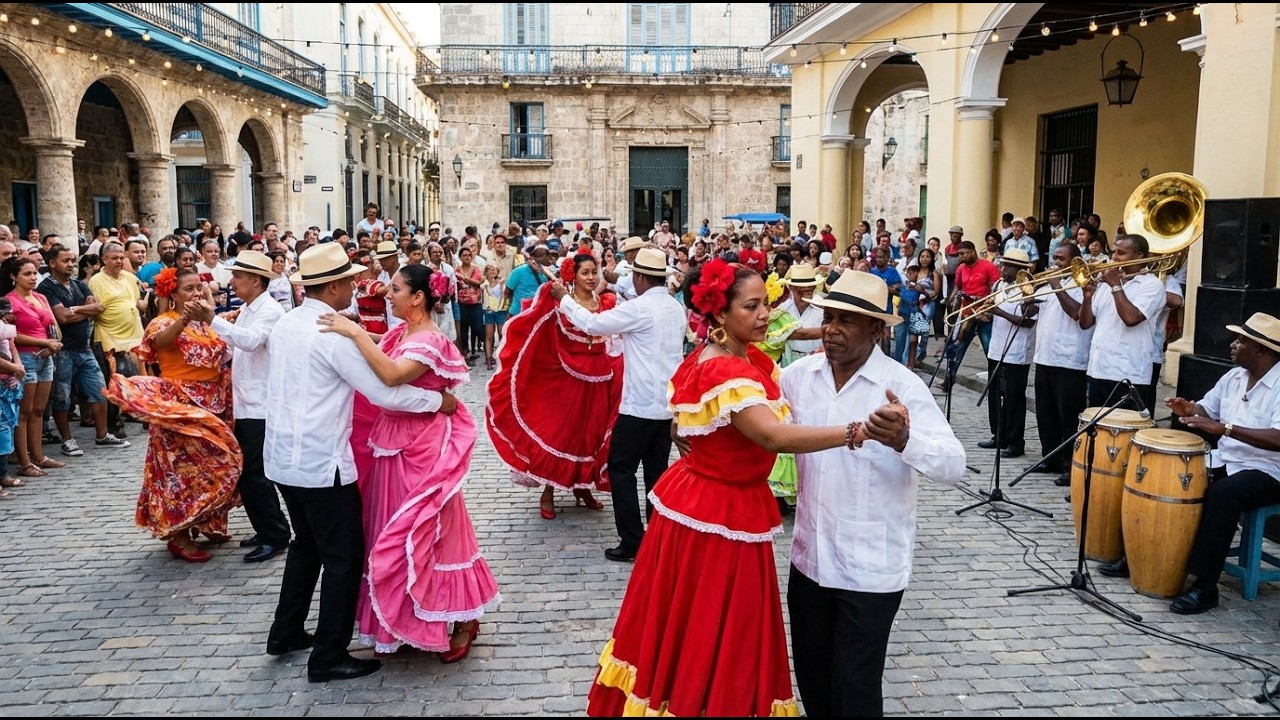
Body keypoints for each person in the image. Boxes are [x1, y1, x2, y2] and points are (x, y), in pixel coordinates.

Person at [586, 260, 895, 717]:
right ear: (719, 313)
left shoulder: (737, 359)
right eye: (751, 307)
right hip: (717, 514)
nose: (765, 314)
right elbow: (773, 436)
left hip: (711, 505)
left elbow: (689, 416)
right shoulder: (727, 370)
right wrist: (856, 431)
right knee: (714, 622)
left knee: (710, 622)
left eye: (766, 303)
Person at [263, 243, 456, 683]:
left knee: (305, 545)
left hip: (283, 458)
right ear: (332, 287)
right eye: (349, 280)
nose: (356, 285)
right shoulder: (332, 335)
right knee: (343, 558)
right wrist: (438, 402)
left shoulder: (288, 323)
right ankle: (328, 656)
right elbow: (384, 391)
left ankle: (286, 630)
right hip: (321, 463)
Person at [783, 270, 965, 716]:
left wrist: (905, 441)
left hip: (868, 570)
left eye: (846, 321)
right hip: (809, 561)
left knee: (855, 690)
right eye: (829, 318)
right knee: (813, 682)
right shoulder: (798, 377)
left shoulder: (902, 385)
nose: (831, 330)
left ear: (876, 330)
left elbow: (953, 465)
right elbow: (753, 414)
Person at [317, 263, 499, 660]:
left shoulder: (431, 340)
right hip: (392, 442)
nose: (388, 293)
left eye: (396, 288)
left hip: (424, 447)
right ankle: (405, 618)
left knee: (432, 529)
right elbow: (384, 347)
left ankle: (463, 619)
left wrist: (353, 331)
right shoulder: (404, 331)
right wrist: (356, 333)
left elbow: (393, 374)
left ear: (417, 298)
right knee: (391, 529)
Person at [545, 247, 684, 562]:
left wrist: (564, 299)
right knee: (657, 472)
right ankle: (658, 536)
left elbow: (593, 325)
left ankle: (632, 541)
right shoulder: (675, 308)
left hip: (639, 407)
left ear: (640, 277)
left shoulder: (639, 308)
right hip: (666, 406)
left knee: (622, 469)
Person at [103, 267, 241, 563]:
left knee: (208, 466)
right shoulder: (163, 322)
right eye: (189, 289)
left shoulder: (208, 322)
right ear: (173, 295)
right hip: (179, 403)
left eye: (199, 287)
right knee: (179, 470)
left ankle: (206, 521)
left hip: (213, 400)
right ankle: (179, 534)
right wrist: (184, 319)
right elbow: (160, 343)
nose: (196, 293)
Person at [489, 253, 623, 519]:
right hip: (568, 380)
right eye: (585, 273)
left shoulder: (606, 302)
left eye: (593, 272)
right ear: (573, 275)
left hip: (599, 379)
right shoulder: (561, 303)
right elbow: (543, 333)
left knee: (592, 435)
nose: (591, 278)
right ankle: (549, 490)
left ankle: (582, 487)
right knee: (564, 433)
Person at [1162, 313, 1280, 614]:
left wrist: (1225, 429)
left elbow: (1278, 438)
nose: (1233, 345)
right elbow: (1207, 409)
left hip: (1268, 470)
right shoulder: (1234, 377)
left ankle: (1205, 586)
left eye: (1241, 341)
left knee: (1223, 494)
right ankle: (1157, 559)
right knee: (1175, 472)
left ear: (1262, 350)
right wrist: (1190, 409)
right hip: (1227, 459)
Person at [207, 251, 292, 563]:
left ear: (255, 280)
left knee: (256, 473)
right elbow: (237, 347)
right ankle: (267, 528)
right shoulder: (248, 308)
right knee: (249, 473)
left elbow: (251, 341)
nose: (233, 282)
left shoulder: (269, 310)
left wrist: (211, 319)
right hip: (246, 401)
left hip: (261, 405)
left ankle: (275, 534)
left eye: (238, 276)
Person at [37, 244, 129, 458]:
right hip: (62, 351)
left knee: (99, 390)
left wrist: (76, 309)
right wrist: (84, 311)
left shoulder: (78, 284)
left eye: (72, 260)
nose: (71, 264)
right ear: (52, 263)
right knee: (62, 397)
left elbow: (98, 308)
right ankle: (67, 440)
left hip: (84, 348)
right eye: (65, 261)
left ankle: (102, 434)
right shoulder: (47, 288)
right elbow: (62, 317)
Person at [1031, 242, 1093, 486]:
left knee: (1068, 416)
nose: (1055, 263)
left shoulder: (1082, 284)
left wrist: (1056, 286)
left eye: (1061, 259)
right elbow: (1033, 310)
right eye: (1054, 258)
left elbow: (1076, 313)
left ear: (1074, 261)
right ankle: (1050, 458)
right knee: (1045, 413)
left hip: (1070, 360)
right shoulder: (1048, 284)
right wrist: (1030, 294)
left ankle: (1070, 464)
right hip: (1044, 356)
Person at [3, 255, 65, 478]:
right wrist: (45, 343)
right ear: (14, 277)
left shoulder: (41, 297)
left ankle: (38, 456)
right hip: (25, 357)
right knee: (24, 411)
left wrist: (53, 344)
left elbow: (53, 325)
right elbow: (11, 335)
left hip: (45, 357)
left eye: (34, 273)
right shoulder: (9, 301)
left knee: (39, 409)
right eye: (26, 274)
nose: (32, 278)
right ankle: (24, 461)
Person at [976, 248, 1037, 458]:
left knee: (1013, 398)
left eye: (1007, 266)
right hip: (997, 348)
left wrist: (998, 312)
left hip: (1017, 352)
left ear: (1019, 269)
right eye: (1002, 265)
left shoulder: (1029, 289)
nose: (1002, 269)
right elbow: (994, 312)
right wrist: (986, 315)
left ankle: (1015, 442)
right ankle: (998, 435)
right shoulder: (999, 285)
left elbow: (1028, 322)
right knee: (995, 396)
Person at [943, 240, 1001, 393]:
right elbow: (957, 287)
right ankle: (948, 379)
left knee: (990, 349)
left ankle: (998, 384)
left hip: (984, 314)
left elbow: (996, 290)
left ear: (972, 252)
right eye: (959, 254)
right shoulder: (961, 268)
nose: (960, 256)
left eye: (963, 253)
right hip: (966, 313)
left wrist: (987, 308)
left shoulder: (988, 266)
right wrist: (951, 300)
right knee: (957, 347)